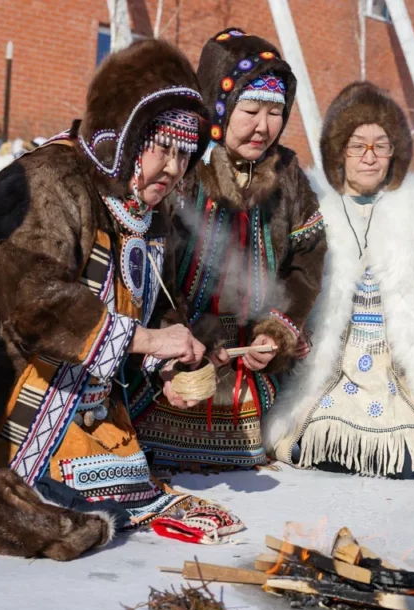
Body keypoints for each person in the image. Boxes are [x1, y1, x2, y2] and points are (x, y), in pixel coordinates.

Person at [0, 40, 236, 551]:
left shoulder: (142, 204)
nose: (174, 169)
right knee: (54, 501)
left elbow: (149, 297)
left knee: (122, 487)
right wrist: (148, 341)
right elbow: (30, 299)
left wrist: (171, 358)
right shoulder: (48, 180)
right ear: (122, 138)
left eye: (185, 153)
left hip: (80, 405)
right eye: (162, 147)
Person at [129, 28, 327, 472]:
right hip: (183, 353)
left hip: (252, 361)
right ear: (219, 109)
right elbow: (153, 269)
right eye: (251, 109)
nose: (264, 126)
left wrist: (276, 333)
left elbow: (307, 260)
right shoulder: (184, 167)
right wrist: (176, 342)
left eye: (276, 112)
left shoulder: (289, 175)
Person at [264, 82, 414, 479]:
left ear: (396, 152)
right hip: (334, 360)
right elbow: (290, 282)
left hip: (395, 361)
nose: (371, 157)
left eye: (382, 145)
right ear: (339, 151)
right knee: (313, 441)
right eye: (358, 145)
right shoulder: (314, 204)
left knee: (413, 454)